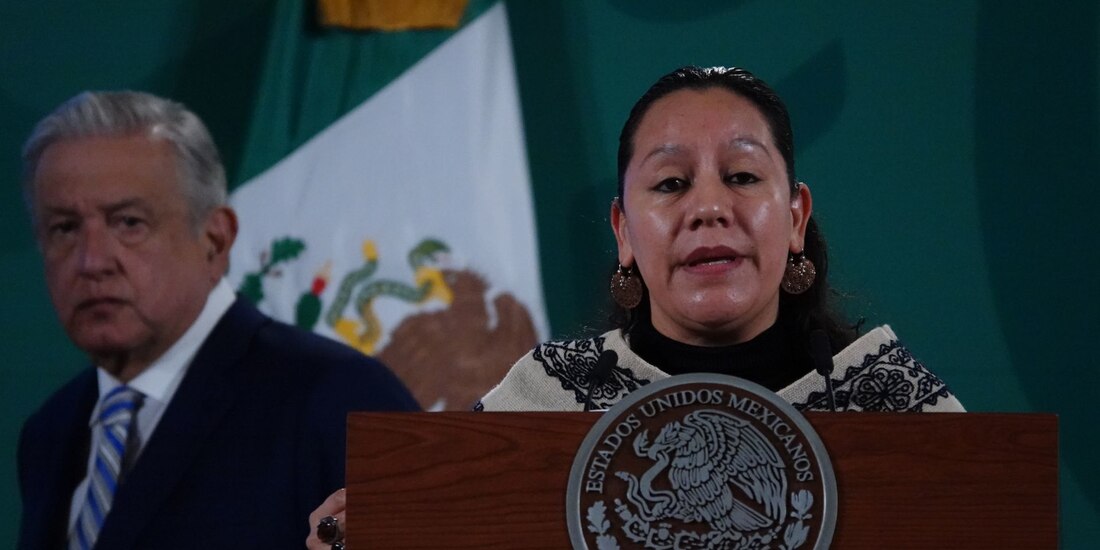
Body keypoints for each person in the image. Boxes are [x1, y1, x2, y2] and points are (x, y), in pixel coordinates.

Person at [305, 65, 964, 548]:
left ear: (795, 218)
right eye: (671, 183)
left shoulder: (898, 411)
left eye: (741, 176)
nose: (708, 208)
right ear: (623, 231)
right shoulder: (544, 401)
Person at [16, 91, 420, 550]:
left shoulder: (339, 399)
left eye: (128, 222)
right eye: (64, 228)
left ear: (215, 239)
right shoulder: (49, 432)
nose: (92, 261)